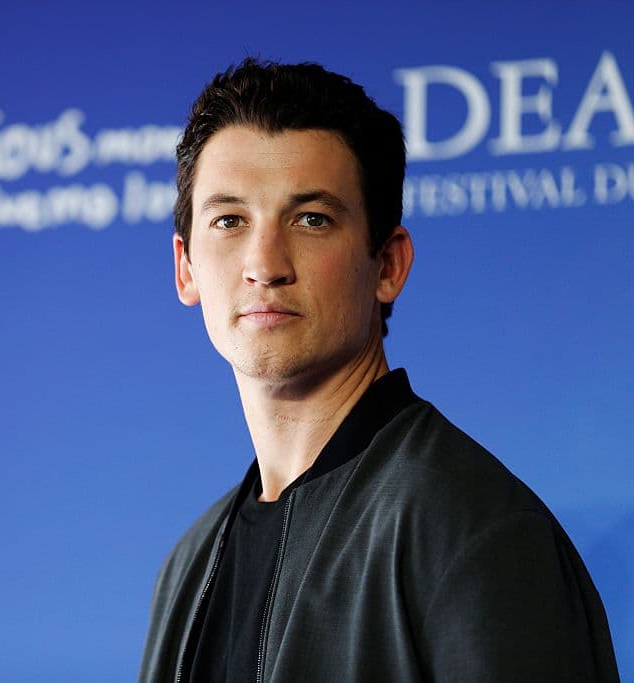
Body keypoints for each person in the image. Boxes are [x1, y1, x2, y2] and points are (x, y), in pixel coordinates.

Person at [138, 58, 619, 682]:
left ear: (388, 266)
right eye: (229, 221)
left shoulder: (474, 530)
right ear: (186, 268)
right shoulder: (188, 566)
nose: (264, 263)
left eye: (311, 218)